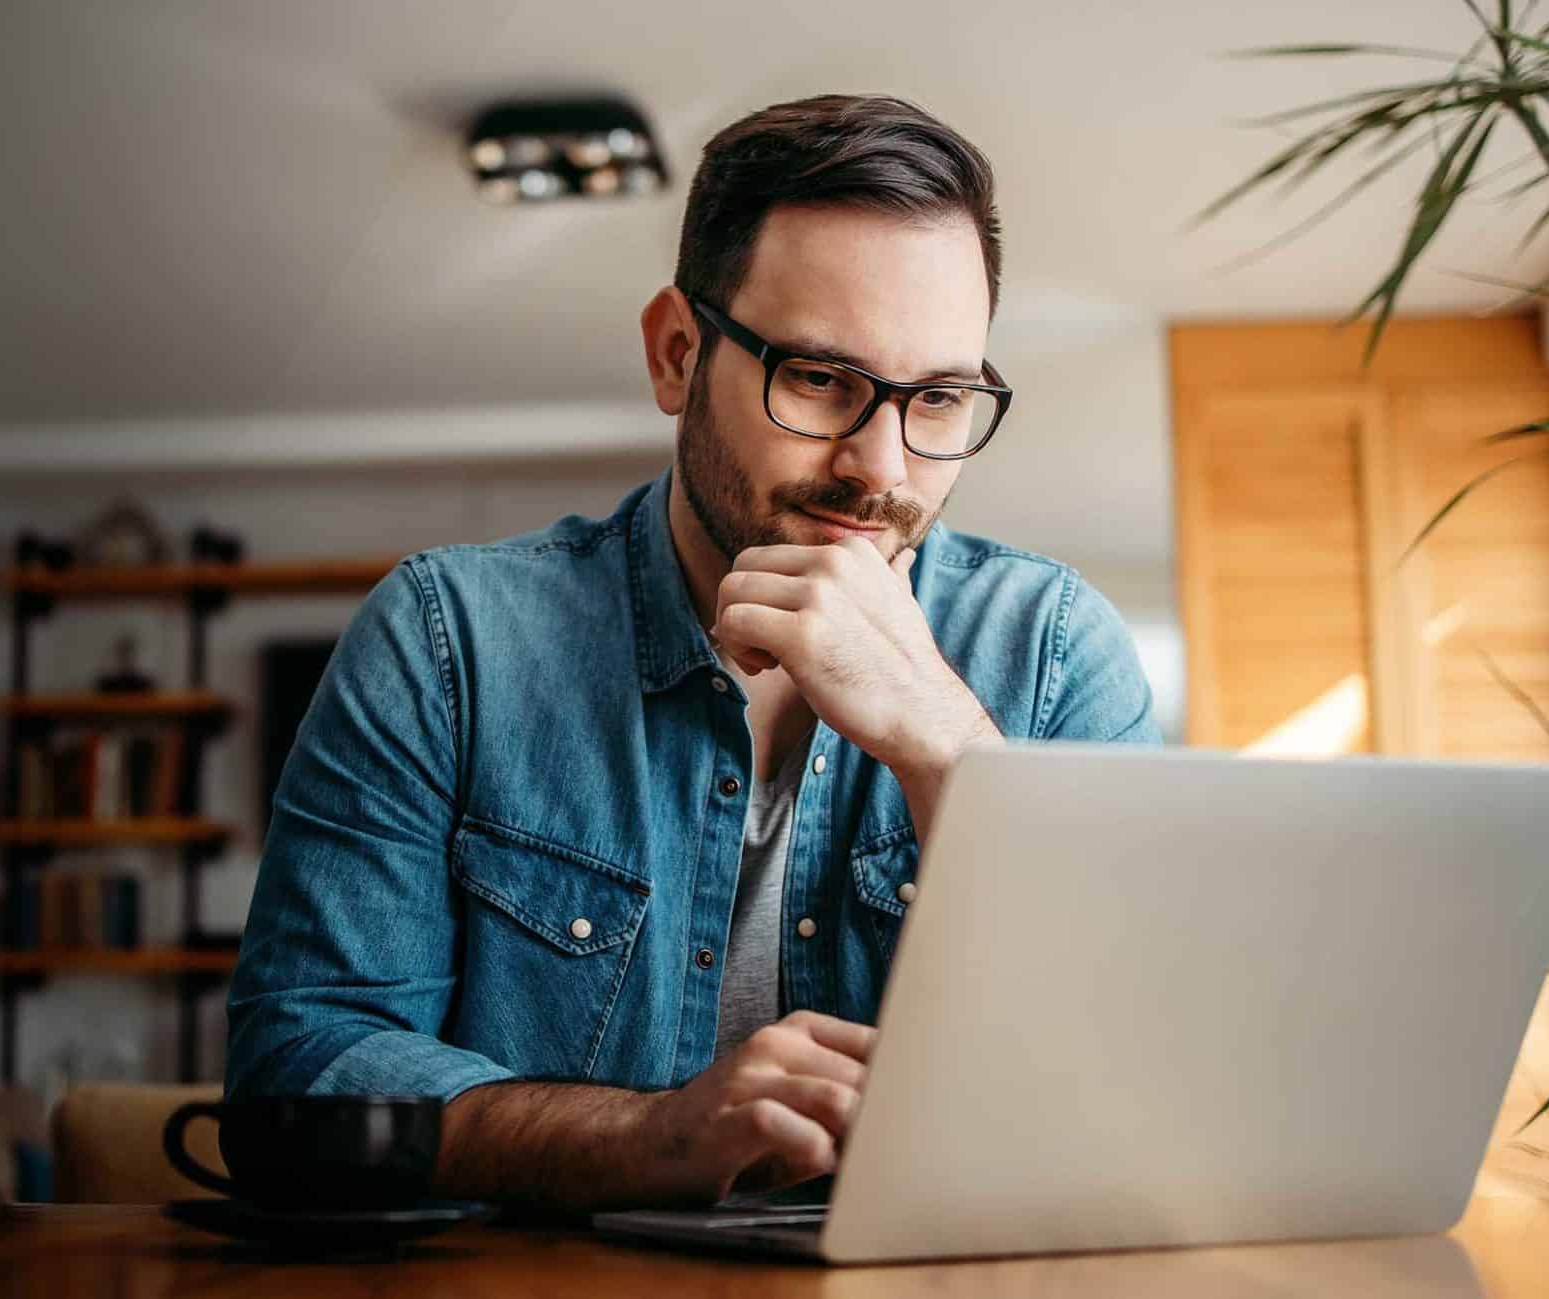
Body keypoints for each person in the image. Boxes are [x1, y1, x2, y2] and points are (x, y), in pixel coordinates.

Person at [224, 93, 1157, 1212]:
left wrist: (946, 750)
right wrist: (648, 1139)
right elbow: (302, 1072)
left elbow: (1146, 1094)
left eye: (940, 398)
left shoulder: (1054, 653)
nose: (882, 466)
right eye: (818, 379)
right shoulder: (447, 642)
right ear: (676, 355)